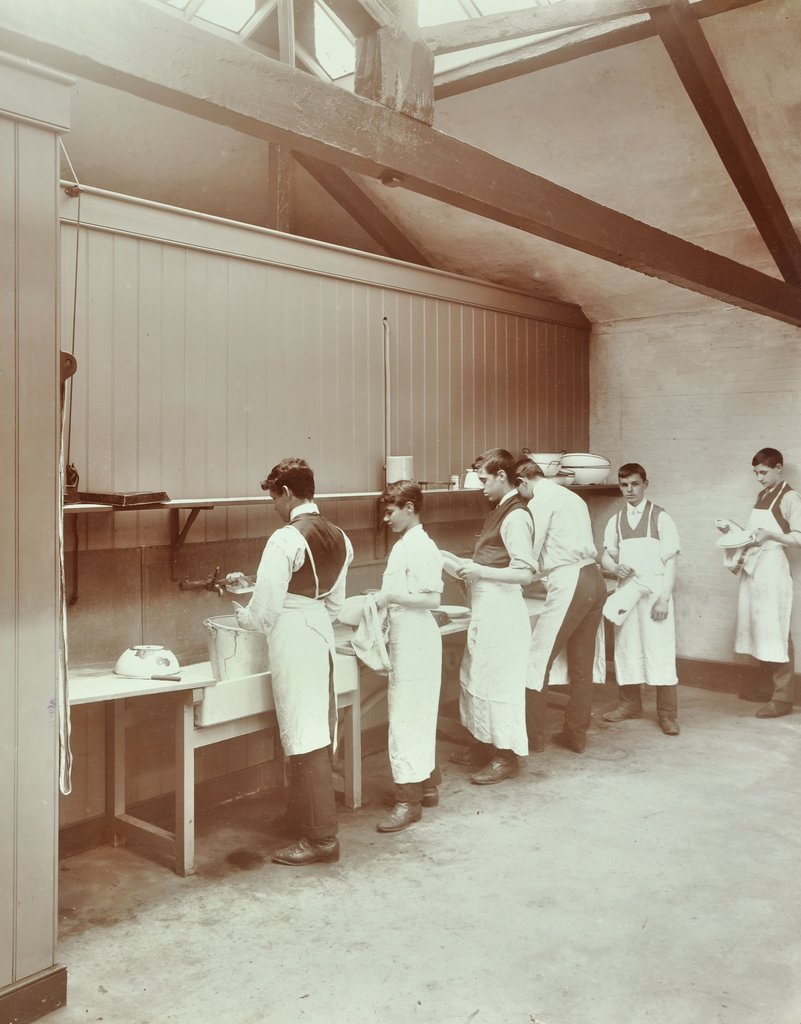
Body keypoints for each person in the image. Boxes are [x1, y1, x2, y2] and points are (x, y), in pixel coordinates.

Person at [235, 457, 353, 865]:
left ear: (286, 492)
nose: (273, 506)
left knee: (306, 736)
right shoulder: (340, 536)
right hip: (319, 630)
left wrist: (242, 615)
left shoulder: (285, 539)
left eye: (273, 497)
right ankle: (302, 817)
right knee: (312, 726)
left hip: (291, 634)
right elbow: (335, 603)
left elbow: (264, 610)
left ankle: (322, 840)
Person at [445, 448, 535, 785]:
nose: (481, 486)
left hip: (503, 610)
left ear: (501, 476)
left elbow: (524, 573)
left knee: (498, 685)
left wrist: (478, 570)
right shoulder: (497, 510)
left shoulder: (516, 516)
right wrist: (446, 558)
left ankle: (505, 755)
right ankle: (483, 746)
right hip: (487, 608)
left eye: (484, 480)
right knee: (477, 678)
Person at [516, 459, 607, 754]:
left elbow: (530, 555)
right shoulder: (573, 497)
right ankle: (576, 735)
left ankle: (534, 738)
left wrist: (517, 581)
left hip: (570, 582)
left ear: (523, 481)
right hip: (594, 578)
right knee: (582, 665)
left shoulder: (539, 503)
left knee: (535, 661)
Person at [372, 481, 444, 833]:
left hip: (416, 638)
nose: (386, 519)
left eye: (391, 512)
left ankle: (408, 801)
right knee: (416, 715)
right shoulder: (406, 545)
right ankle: (426, 787)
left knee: (406, 719)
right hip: (408, 636)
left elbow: (432, 599)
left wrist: (390, 597)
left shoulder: (423, 547)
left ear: (411, 508)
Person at [716, 448, 801, 718]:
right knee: (758, 628)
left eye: (763, 472)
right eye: (756, 473)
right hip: (755, 568)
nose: (759, 478)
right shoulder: (763, 495)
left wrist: (772, 536)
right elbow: (755, 535)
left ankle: (783, 698)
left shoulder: (790, 497)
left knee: (775, 630)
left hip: (773, 569)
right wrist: (732, 529)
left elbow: (798, 537)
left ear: (778, 468)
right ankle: (765, 689)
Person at [600, 463, 681, 735]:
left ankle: (667, 714)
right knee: (626, 648)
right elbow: (606, 556)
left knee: (660, 650)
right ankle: (629, 704)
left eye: (634, 484)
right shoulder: (616, 521)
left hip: (655, 593)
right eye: (624, 485)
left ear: (646, 483)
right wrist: (613, 568)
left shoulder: (660, 518)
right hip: (627, 593)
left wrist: (663, 600)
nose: (629, 490)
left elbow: (671, 562)